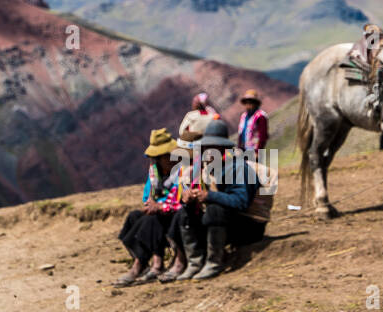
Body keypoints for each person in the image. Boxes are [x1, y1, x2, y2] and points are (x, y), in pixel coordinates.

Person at [179, 119, 268, 280]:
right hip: (229, 222)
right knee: (185, 213)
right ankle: (195, 262)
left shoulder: (239, 168)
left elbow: (241, 202)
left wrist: (209, 196)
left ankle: (214, 262)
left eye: (211, 148)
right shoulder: (213, 169)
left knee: (215, 210)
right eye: (205, 148)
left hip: (250, 226)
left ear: (222, 148)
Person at [114, 129, 183, 286]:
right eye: (163, 157)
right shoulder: (154, 174)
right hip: (159, 209)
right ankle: (145, 261)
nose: (167, 159)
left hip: (174, 211)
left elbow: (178, 195)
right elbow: (148, 195)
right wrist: (150, 203)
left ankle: (150, 264)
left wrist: (160, 205)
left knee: (152, 220)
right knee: (134, 217)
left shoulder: (181, 170)